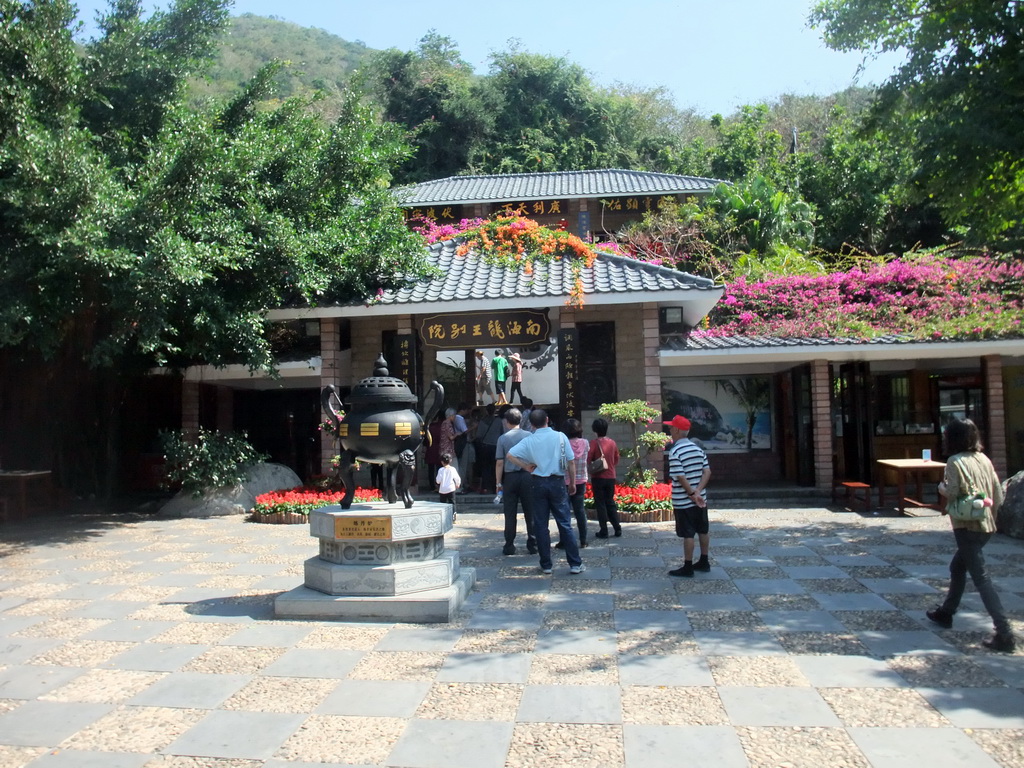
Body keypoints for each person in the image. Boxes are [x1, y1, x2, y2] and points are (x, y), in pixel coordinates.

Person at [928, 418, 1016, 652]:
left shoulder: (955, 462)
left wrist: (941, 488)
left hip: (966, 525)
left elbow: (953, 492)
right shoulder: (984, 459)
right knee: (958, 567)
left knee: (981, 577)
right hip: (986, 524)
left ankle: (1004, 632)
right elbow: (997, 493)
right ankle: (946, 612)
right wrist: (990, 515)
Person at [507, 409, 585, 575]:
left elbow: (510, 455)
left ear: (532, 424)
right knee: (564, 523)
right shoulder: (560, 436)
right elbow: (570, 462)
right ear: (547, 420)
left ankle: (546, 564)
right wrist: (571, 483)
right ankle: (575, 563)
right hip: (557, 482)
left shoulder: (530, 439)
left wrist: (526, 466)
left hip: (538, 482)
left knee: (541, 525)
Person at [665, 414, 712, 577]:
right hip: (701, 500)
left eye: (671, 427)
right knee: (703, 530)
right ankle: (704, 561)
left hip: (684, 501)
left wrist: (692, 493)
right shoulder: (698, 448)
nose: (669, 430)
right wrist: (699, 491)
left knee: (688, 533)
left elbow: (680, 476)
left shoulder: (675, 451)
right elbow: (707, 471)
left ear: (677, 430)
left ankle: (688, 566)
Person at [495, 407, 537, 555]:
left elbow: (500, 462)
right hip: (527, 476)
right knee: (530, 510)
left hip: (510, 477)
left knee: (510, 511)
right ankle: (533, 543)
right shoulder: (529, 436)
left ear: (506, 422)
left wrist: (498, 483)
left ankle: (509, 545)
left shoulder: (503, 438)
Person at [558, 418, 589, 550]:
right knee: (580, 511)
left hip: (565, 481)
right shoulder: (586, 443)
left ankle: (564, 541)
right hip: (581, 480)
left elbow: (562, 463)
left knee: (564, 512)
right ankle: (583, 540)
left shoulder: (562, 445)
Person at [588, 418, 622, 538]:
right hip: (610, 476)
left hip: (598, 477)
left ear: (594, 430)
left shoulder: (593, 443)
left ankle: (604, 530)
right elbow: (617, 458)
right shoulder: (612, 443)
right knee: (610, 502)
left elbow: (589, 458)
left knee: (600, 504)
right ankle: (617, 528)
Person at [475, 403, 504, 495]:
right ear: (494, 411)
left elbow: (478, 435)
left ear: (486, 411)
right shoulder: (499, 421)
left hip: (485, 446)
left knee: (485, 467)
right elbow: (502, 433)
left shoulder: (482, 421)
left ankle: (485, 487)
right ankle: (494, 486)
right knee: (495, 467)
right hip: (496, 446)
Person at [436, 452, 461, 522]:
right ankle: (453, 517)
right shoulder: (452, 469)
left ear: (442, 462)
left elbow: (438, 480)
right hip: (451, 488)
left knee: (442, 503)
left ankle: (443, 517)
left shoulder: (441, 470)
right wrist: (457, 484)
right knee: (452, 502)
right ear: (450, 461)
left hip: (443, 489)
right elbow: (457, 478)